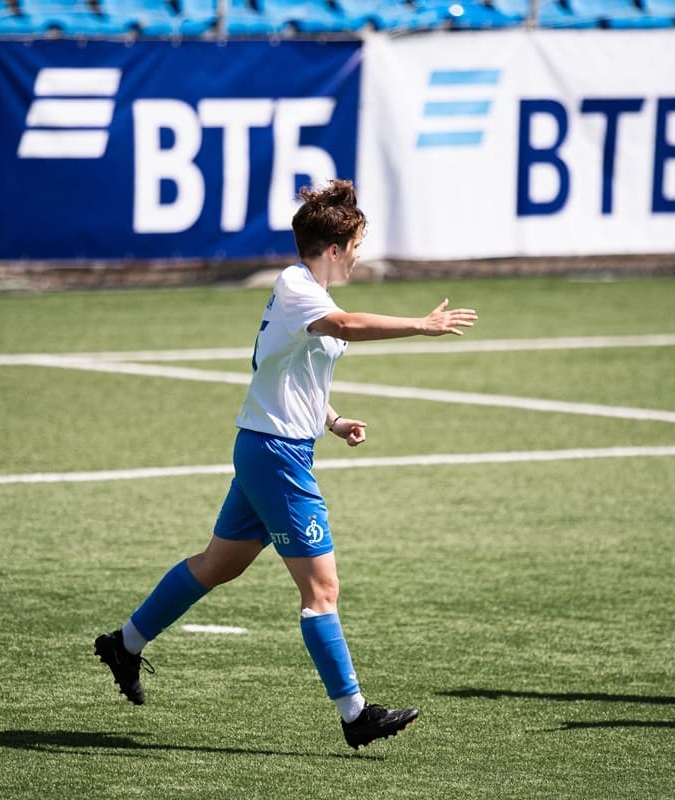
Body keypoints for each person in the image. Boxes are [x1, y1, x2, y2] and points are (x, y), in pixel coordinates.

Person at [94, 179, 477, 749]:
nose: (358, 255)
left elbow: (295, 373)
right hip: (276, 456)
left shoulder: (304, 294)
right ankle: (355, 715)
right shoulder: (300, 289)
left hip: (268, 446)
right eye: (355, 245)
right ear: (333, 248)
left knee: (218, 565)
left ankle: (123, 643)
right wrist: (420, 325)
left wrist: (333, 419)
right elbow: (344, 327)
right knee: (321, 590)